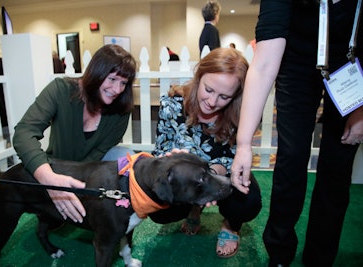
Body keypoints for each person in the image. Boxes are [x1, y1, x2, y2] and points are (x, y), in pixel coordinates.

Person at [230, 1, 363, 266]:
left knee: (337, 166)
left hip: (352, 65)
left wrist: (361, 112)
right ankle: (279, 254)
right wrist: (244, 143)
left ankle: (320, 258)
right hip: (296, 61)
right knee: (291, 156)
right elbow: (264, 64)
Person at [150, 47, 262, 258]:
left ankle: (230, 225)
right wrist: (170, 159)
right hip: (186, 180)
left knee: (248, 201)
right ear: (198, 76)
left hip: (220, 177)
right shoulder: (172, 105)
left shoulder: (242, 114)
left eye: (224, 96)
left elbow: (233, 159)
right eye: (208, 90)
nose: (212, 102)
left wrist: (210, 176)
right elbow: (160, 149)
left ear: (236, 96)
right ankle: (194, 208)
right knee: (159, 208)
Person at [12, 44, 137, 224]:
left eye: (123, 83)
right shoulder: (60, 90)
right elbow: (24, 132)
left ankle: (107, 211)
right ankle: (47, 209)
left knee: (122, 156)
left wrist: (75, 187)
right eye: (112, 79)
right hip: (55, 167)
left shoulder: (121, 111)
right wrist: (50, 180)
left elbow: (99, 153)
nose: (117, 89)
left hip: (89, 171)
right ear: (96, 73)